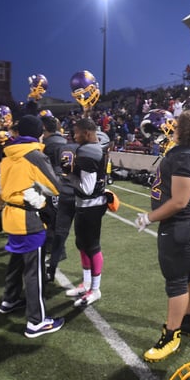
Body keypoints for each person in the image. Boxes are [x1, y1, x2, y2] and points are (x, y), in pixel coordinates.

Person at [134, 109, 190, 362]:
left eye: (178, 125)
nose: (173, 128)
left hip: (179, 223)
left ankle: (171, 335)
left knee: (176, 280)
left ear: (186, 128)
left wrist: (149, 217)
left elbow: (179, 201)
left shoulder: (183, 156)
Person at [0, 115, 64, 338]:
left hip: (9, 215)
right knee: (34, 271)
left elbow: (1, 185)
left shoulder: (8, 155)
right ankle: (36, 321)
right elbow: (54, 186)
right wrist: (40, 190)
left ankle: (9, 299)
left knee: (16, 262)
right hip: (28, 216)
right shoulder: (35, 155)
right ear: (38, 132)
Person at [64, 118, 110, 307]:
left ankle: (95, 289)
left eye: (77, 132)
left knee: (92, 246)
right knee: (82, 244)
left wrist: (68, 175)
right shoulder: (93, 147)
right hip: (86, 204)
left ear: (88, 133)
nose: (74, 136)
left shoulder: (89, 150)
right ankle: (87, 283)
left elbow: (87, 187)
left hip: (91, 204)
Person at [40, 115, 72, 282]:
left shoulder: (48, 144)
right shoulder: (64, 142)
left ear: (45, 128)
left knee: (51, 218)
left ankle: (56, 251)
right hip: (64, 183)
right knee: (57, 218)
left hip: (53, 183)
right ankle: (57, 249)